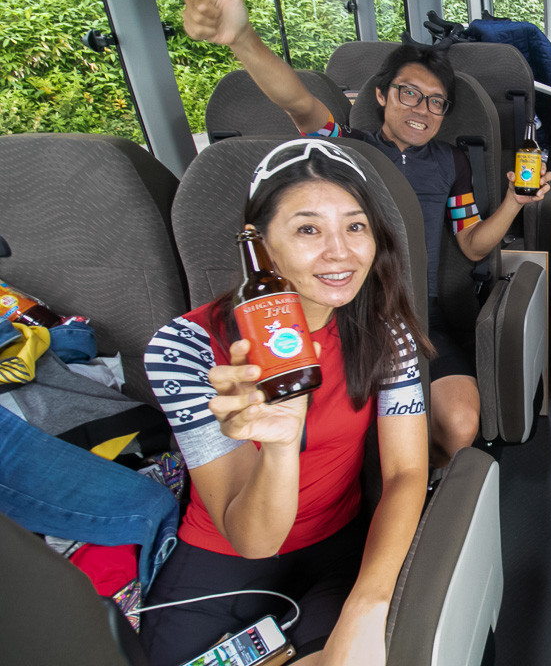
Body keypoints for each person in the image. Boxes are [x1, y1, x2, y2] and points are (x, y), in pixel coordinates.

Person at [183, 0, 551, 466]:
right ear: (381, 95)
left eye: (437, 103)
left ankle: (424, 483)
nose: (421, 110)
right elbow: (298, 103)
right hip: (342, 309)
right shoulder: (345, 149)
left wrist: (515, 201)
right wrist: (243, 39)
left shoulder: (452, 161)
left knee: (462, 424)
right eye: (409, 93)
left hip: (418, 310)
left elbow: (471, 244)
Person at [142, 139, 433, 665]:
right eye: (307, 229)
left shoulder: (386, 334)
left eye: (355, 225)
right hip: (223, 563)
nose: (340, 252)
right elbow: (252, 538)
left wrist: (369, 605)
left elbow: (407, 473)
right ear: (262, 248)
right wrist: (279, 449)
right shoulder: (184, 349)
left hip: (335, 554)